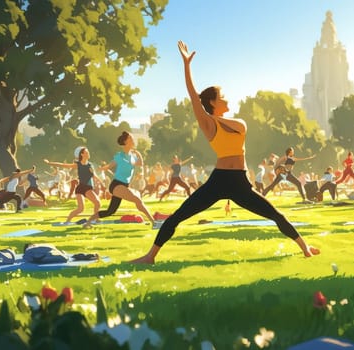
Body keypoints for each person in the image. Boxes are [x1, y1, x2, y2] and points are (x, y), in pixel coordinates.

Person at [130, 41, 319, 264]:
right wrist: (186, 65)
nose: (227, 98)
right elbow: (193, 95)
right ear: (213, 102)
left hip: (239, 181)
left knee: (275, 214)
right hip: (219, 180)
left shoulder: (237, 122)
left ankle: (305, 248)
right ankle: (150, 256)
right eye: (222, 96)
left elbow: (237, 130)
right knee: (179, 215)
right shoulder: (208, 124)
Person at [84, 131, 156, 228]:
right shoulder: (120, 156)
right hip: (117, 184)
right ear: (126, 141)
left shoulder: (133, 156)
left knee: (110, 211)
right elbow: (110, 166)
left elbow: (140, 164)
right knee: (137, 200)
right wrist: (98, 169)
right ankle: (154, 223)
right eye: (131, 138)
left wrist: (138, 154)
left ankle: (88, 222)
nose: (133, 139)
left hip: (124, 185)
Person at [44, 147, 102, 224]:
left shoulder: (90, 165)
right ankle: (67, 222)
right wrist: (50, 163)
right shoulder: (78, 165)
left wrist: (101, 183)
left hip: (88, 188)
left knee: (97, 203)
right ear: (82, 154)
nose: (88, 153)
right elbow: (63, 165)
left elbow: (94, 175)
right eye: (87, 152)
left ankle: (95, 219)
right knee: (81, 209)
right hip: (81, 188)